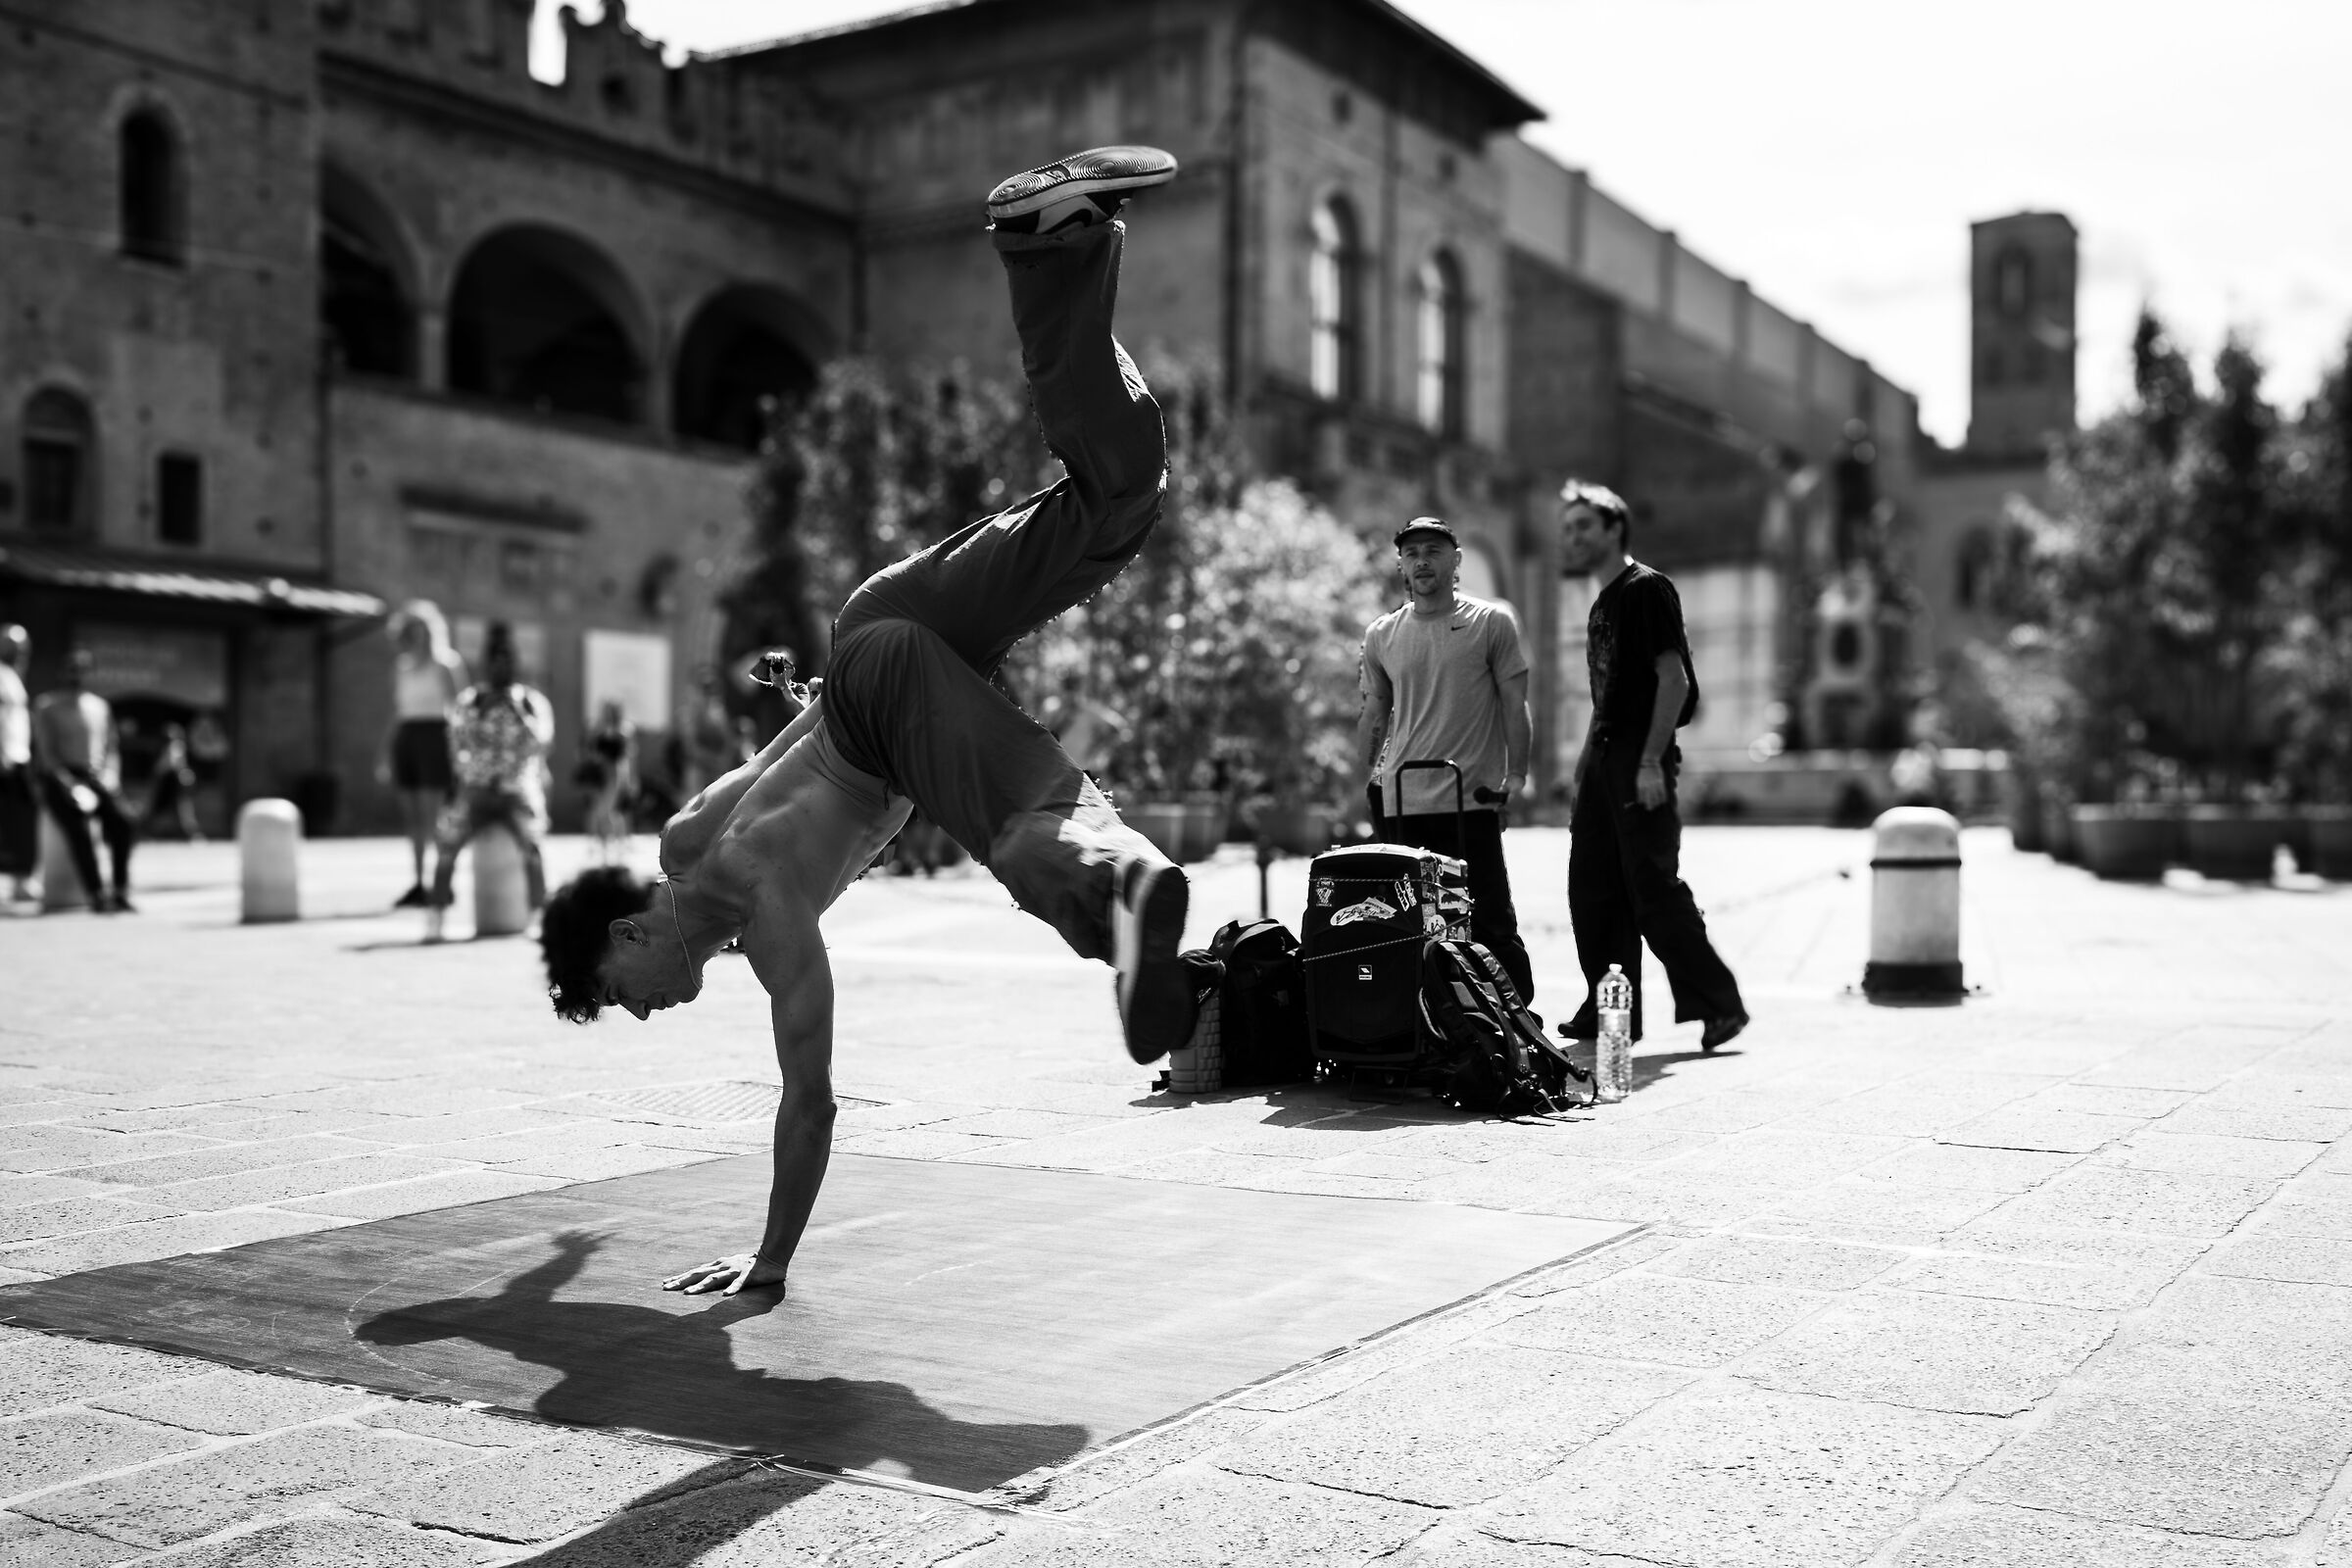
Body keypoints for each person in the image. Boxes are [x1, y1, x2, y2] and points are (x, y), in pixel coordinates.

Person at [535, 144, 1193, 1299]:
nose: (641, 1013)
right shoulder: (686, 835)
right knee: (1116, 499)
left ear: (634, 936)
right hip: (877, 631)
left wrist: (769, 1263)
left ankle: (1116, 887)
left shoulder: (761, 909)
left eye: (619, 994)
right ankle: (1055, 242)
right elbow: (805, 739)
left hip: (883, 695)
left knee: (1019, 817)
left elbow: (810, 1099)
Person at [1555, 481, 1747, 1052]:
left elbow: (1674, 680)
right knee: (1593, 887)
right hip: (1608, 755)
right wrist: (1587, 769)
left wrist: (1647, 762)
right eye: (1567, 530)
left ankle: (1719, 1003)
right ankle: (1614, 1012)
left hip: (1642, 753)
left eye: (1584, 526)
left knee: (1651, 887)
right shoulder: (1603, 601)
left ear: (1615, 528)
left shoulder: (1646, 589)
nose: (1573, 538)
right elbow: (1605, 696)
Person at [1354, 517, 1538, 1004]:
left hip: (1468, 797)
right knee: (1407, 924)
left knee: (1490, 920)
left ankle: (1515, 1021)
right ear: (1400, 565)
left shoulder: (1490, 622)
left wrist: (1516, 775)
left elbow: (1514, 703)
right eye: (1411, 552)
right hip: (1400, 801)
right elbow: (1374, 715)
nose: (1421, 560)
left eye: (1433, 550)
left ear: (1456, 560)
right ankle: (1425, 1022)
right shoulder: (1382, 634)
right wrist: (1355, 788)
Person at [424, 622, 555, 943]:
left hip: (517, 789)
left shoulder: (531, 701)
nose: (501, 667)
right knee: (446, 845)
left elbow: (540, 742)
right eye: (495, 660)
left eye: (507, 660)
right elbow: (457, 741)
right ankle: (437, 914)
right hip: (477, 789)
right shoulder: (470, 700)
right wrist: (481, 716)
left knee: (533, 846)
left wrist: (517, 711)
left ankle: (538, 915)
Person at [31, 649, 136, 912]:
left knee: (123, 822)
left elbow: (111, 747)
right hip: (62, 779)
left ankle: (121, 891)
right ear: (63, 672)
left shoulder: (99, 706)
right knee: (79, 830)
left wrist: (111, 775)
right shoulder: (47, 706)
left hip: (96, 777)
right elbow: (47, 754)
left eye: (82, 669)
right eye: (72, 669)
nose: (76, 675)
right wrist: (68, 784)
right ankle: (96, 894)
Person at [377, 602, 467, 907]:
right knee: (412, 819)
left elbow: (460, 711)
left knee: (435, 818)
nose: (416, 636)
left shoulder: (446, 663)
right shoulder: (401, 666)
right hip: (408, 737)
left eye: (421, 629)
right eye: (410, 630)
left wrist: (461, 752)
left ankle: (443, 882)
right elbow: (397, 712)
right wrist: (385, 753)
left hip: (436, 737)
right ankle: (418, 884)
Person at [0, 625, 36, 902]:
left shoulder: (13, 676)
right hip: (6, 759)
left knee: (21, 821)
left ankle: (20, 881)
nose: (19, 652)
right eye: (13, 646)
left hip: (17, 758)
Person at [578, 700, 637, 863]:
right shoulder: (596, 728)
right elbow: (589, 751)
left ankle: (617, 844)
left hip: (615, 773)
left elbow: (627, 756)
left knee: (613, 810)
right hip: (599, 774)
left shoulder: (624, 730)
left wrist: (631, 778)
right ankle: (604, 845)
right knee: (599, 810)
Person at [140, 722, 204, 841]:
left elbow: (174, 764)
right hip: (166, 782)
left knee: (183, 809)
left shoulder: (177, 745)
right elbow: (163, 766)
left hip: (174, 782)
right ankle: (145, 832)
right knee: (162, 809)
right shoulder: (167, 746)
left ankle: (192, 834)